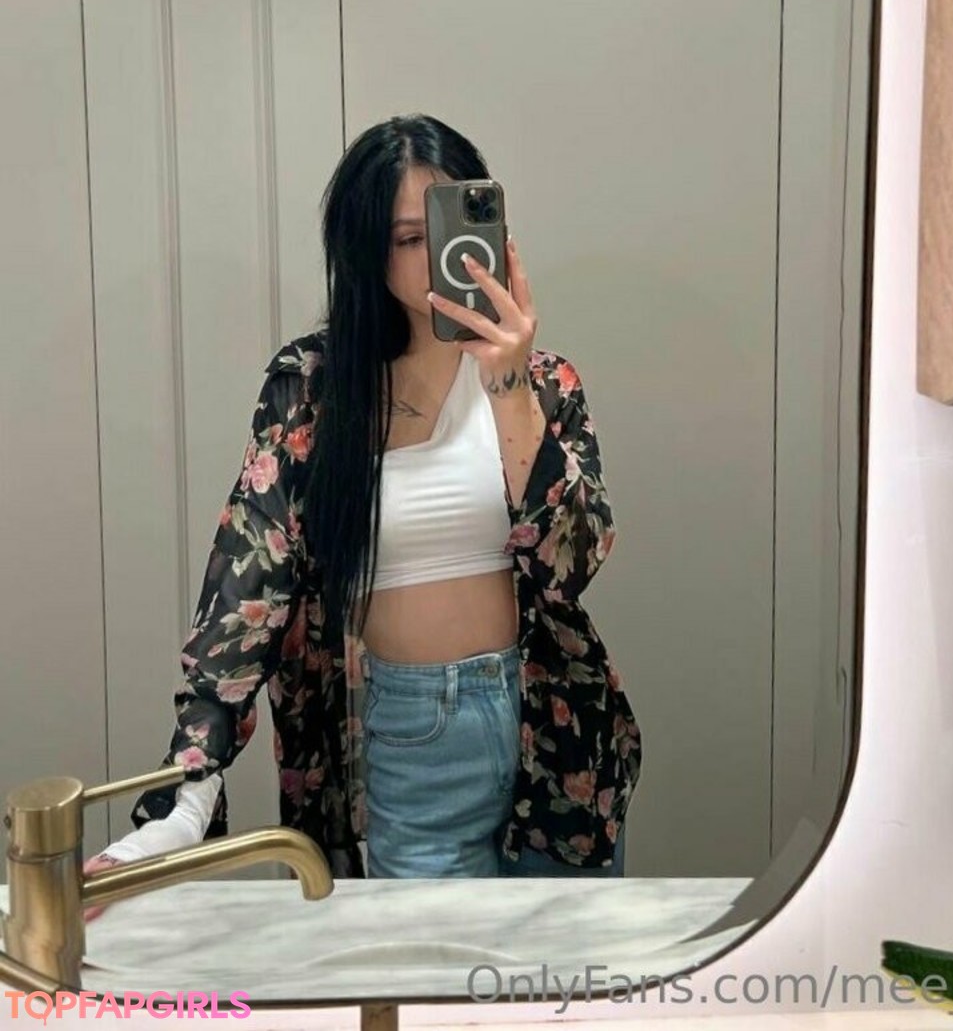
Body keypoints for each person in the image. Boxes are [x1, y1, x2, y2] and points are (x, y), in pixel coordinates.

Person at [86, 114, 641, 894]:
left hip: (556, 734)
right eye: (407, 238)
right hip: (413, 737)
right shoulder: (315, 389)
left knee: (554, 968)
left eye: (449, 226)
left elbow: (574, 563)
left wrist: (507, 380)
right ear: (365, 250)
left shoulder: (546, 382)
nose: (436, 256)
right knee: (433, 968)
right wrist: (187, 791)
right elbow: (248, 581)